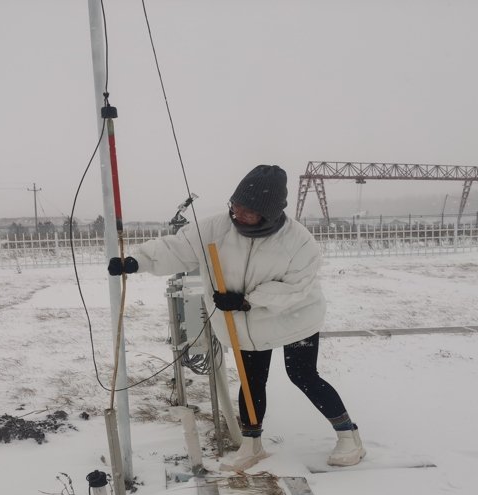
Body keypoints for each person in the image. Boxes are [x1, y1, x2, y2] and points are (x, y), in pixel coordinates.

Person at [108, 164, 365, 470]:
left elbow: (296, 287)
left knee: (303, 375)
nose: (237, 214)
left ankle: (349, 436)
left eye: (248, 210)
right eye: (235, 206)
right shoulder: (216, 228)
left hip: (294, 316)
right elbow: (177, 247)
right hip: (246, 321)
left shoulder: (299, 241)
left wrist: (246, 301)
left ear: (269, 212)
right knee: (251, 379)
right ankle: (252, 444)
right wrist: (136, 262)